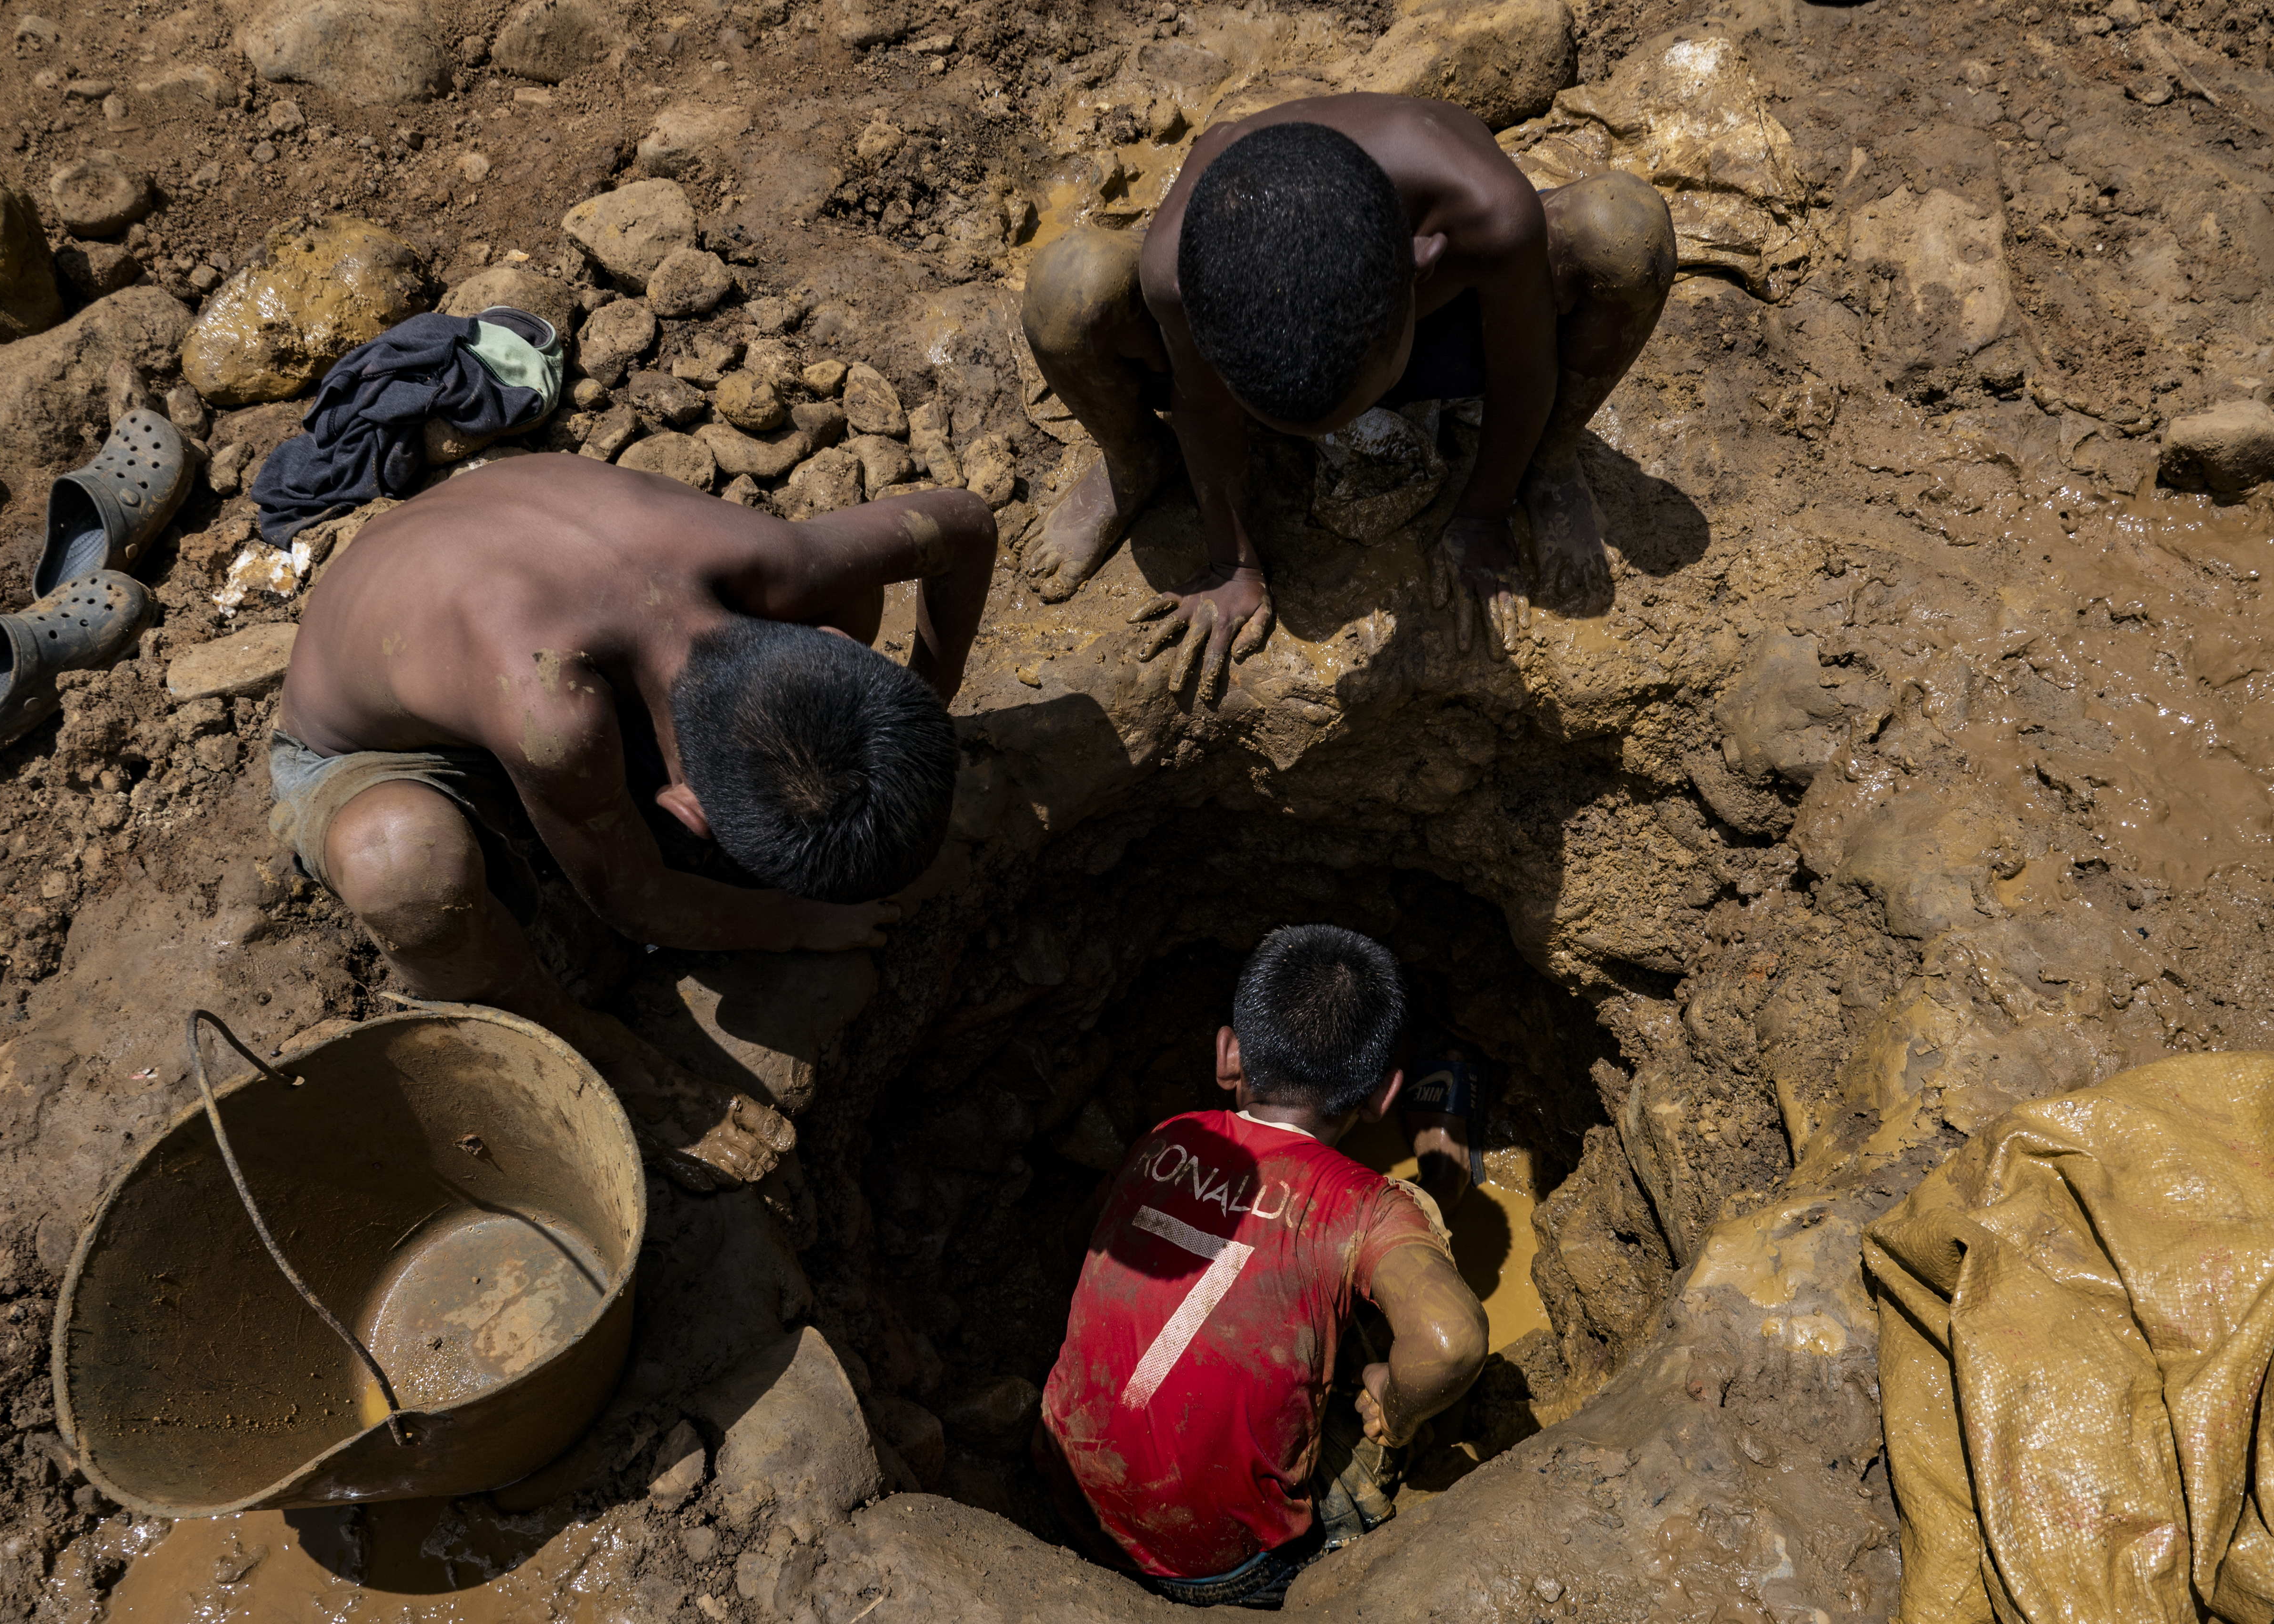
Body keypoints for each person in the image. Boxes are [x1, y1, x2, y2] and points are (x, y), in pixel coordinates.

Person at [270, 453, 991, 1113]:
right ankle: (571, 1035)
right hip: (384, 738)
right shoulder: (557, 727)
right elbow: (637, 904)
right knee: (403, 868)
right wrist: (793, 922)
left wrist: (928, 695)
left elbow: (966, 522)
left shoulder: (787, 561)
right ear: (686, 808)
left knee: (850, 591)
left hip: (519, 601)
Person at [1018, 97, 1677, 697]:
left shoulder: (1486, 213)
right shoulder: (1177, 273)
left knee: (1624, 228)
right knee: (1070, 289)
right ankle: (1136, 459)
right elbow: (1202, 403)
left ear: (1422, 271)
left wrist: (1484, 513)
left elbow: (1524, 371)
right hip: (1309, 332)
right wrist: (1232, 563)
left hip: (1444, 325)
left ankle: (1551, 459)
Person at [1036, 925, 1490, 1609]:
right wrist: (1392, 1406)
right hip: (1214, 1571)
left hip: (1063, 1492)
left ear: (1228, 1056)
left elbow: (1082, 1241)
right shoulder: (1363, 1206)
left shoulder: (1165, 1138)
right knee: (1404, 1241)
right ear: (1381, 1097)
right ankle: (1444, 1164)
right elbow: (1450, 1342)